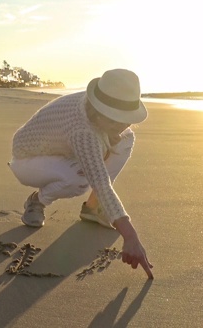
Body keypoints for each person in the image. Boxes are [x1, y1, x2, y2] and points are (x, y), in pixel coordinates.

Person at [9, 68, 154, 279]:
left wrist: (111, 134)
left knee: (126, 139)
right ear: (99, 111)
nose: (122, 125)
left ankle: (95, 209)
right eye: (115, 120)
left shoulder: (96, 116)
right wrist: (130, 236)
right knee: (79, 179)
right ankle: (37, 201)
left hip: (61, 153)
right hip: (27, 160)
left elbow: (108, 143)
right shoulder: (82, 131)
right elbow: (100, 181)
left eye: (126, 119)